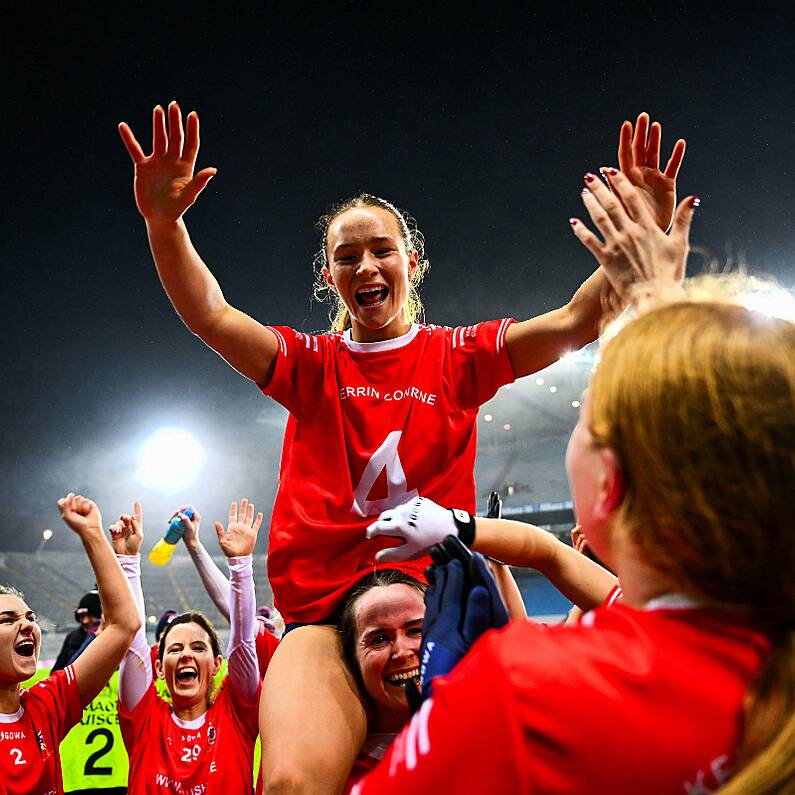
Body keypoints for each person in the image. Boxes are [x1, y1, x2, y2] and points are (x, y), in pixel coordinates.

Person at [118, 104, 685, 793]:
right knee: (292, 783)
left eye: (381, 249)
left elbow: (572, 321)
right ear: (329, 277)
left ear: (411, 262)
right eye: (346, 256)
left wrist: (644, 230)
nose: (366, 264)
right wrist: (163, 225)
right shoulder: (310, 365)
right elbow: (211, 314)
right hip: (324, 621)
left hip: (434, 606)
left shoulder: (458, 357)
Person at [352, 174, 795, 794]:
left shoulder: (523, 693)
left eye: (586, 414)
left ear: (610, 485)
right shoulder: (762, 660)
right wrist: (656, 302)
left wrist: (447, 717)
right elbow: (554, 550)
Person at [113, 499, 262, 794]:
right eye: (174, 649)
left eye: (198, 647)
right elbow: (132, 640)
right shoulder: (144, 719)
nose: (185, 655)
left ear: (218, 663)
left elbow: (243, 641)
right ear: (157, 667)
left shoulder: (237, 713)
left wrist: (240, 565)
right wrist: (128, 562)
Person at [0, 493, 139, 795]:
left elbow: (124, 625)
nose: (27, 624)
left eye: (30, 616)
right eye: (7, 620)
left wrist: (92, 534)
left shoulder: (44, 705)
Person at [336, 570, 426, 793]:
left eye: (415, 630)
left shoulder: (485, 739)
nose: (402, 652)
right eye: (380, 639)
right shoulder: (337, 778)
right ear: (353, 660)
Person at [51, 589, 102, 671]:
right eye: (82, 616)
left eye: (90, 616)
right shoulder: (72, 637)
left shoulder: (108, 639)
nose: (85, 621)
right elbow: (58, 669)